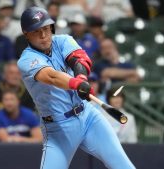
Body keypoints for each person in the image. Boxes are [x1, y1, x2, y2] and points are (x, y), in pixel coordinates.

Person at [17, 6, 135, 169]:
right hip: (58, 127)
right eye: (37, 31)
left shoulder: (63, 40)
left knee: (123, 166)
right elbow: (51, 76)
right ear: (26, 33)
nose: (43, 35)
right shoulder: (26, 60)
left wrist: (81, 77)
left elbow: (80, 59)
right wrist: (76, 83)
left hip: (88, 116)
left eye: (45, 28)